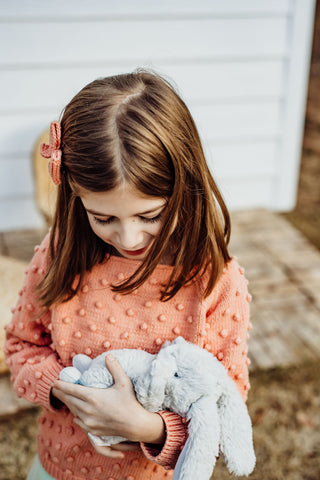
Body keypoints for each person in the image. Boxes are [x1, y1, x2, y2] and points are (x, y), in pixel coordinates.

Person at [4, 69, 252, 480]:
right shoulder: (61, 249)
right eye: (103, 217)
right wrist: (72, 394)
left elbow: (227, 400)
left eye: (149, 215)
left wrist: (145, 428)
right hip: (57, 468)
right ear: (75, 196)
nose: (128, 236)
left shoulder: (215, 281)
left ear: (184, 185)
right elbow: (20, 346)